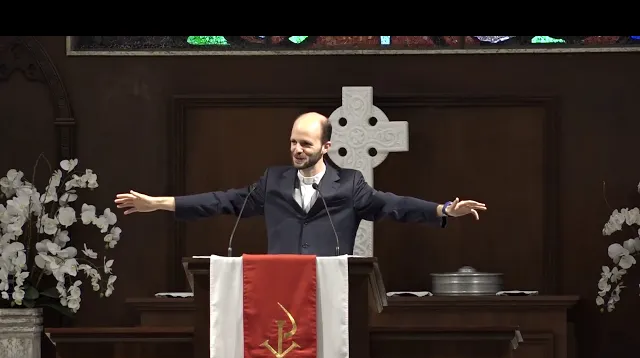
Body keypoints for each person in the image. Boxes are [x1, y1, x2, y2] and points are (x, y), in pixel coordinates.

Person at [114, 112, 487, 256]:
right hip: (278, 291)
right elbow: (223, 200)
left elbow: (394, 205)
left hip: (331, 292)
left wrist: (443, 210)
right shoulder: (273, 182)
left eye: (305, 144)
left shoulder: (349, 185)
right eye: (293, 142)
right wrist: (159, 203)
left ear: (326, 147)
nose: (296, 149)